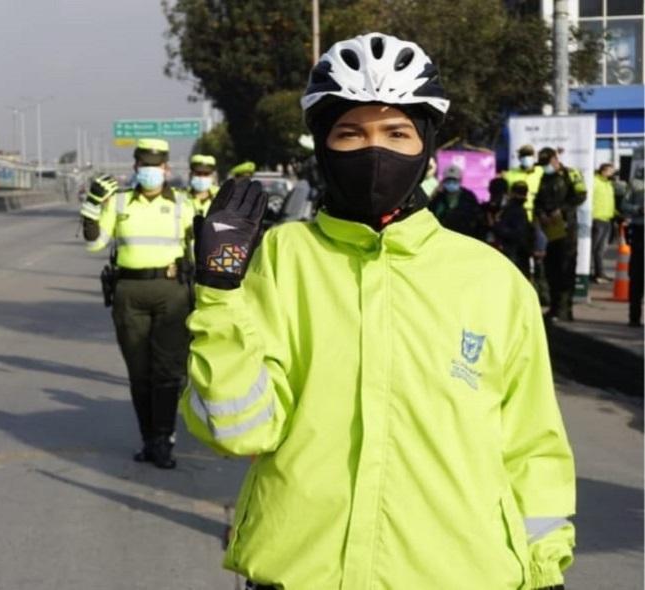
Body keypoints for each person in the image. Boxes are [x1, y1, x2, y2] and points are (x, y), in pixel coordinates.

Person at [180, 33, 574, 590]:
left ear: (427, 144)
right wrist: (219, 292)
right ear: (322, 144)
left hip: (462, 576)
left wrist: (543, 568)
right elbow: (235, 429)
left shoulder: (493, 281)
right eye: (350, 133)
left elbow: (532, 445)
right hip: (301, 574)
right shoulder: (281, 260)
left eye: (396, 133)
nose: (375, 151)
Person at [81, 138, 194, 469]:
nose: (150, 172)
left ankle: (164, 440)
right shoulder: (117, 203)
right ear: (135, 169)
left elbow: (200, 248)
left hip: (172, 291)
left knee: (167, 372)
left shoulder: (182, 204)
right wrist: (91, 205)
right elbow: (95, 243)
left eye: (155, 167)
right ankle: (149, 440)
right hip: (129, 293)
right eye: (144, 166)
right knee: (139, 373)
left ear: (166, 169)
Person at [535, 147, 587, 321]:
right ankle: (554, 307)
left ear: (555, 159)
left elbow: (581, 195)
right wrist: (541, 213)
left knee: (566, 268)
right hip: (549, 229)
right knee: (551, 269)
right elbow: (538, 201)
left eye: (547, 163)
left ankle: (566, 309)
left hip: (566, 227)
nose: (545, 167)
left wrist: (562, 210)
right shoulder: (544, 177)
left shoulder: (570, 174)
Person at [428, 164, 487, 239]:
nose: (451, 183)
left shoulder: (468, 197)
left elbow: (476, 218)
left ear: (460, 180)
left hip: (464, 236)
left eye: (454, 180)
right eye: (448, 180)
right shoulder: (438, 197)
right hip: (443, 237)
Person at [495, 180, 535, 276]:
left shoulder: (513, 210)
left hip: (517, 253)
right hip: (514, 253)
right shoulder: (512, 210)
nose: (521, 196)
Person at [622, 171, 644, 326]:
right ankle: (634, 317)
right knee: (637, 277)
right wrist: (639, 209)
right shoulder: (636, 183)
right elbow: (624, 205)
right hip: (640, 232)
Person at [591, 163, 617, 282]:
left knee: (601, 249)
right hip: (597, 219)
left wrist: (617, 215)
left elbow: (609, 202)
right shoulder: (594, 182)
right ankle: (589, 273)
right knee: (593, 248)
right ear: (603, 171)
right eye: (610, 171)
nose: (612, 174)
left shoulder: (608, 184)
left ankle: (600, 273)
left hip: (607, 219)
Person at [504, 144, 545, 220]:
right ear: (519, 158)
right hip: (517, 215)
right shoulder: (510, 174)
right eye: (524, 156)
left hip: (538, 215)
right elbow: (507, 195)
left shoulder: (541, 172)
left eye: (529, 155)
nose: (527, 159)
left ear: (534, 157)